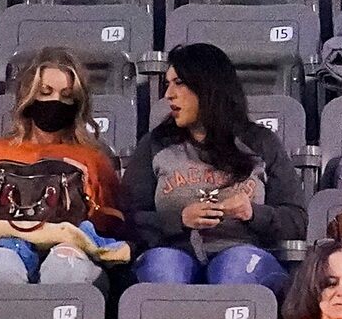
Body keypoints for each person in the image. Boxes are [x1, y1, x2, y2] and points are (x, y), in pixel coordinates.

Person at [125, 41, 305, 289]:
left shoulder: (260, 143)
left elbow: (297, 220)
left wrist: (251, 213)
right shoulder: (155, 144)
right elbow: (127, 220)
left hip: (242, 252)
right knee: (163, 269)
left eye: (179, 83)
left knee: (234, 269)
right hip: (173, 251)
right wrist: (180, 220)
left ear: (207, 88)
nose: (168, 94)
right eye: (167, 84)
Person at [0, 49, 131, 287]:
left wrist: (84, 199)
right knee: (0, 267)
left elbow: (112, 226)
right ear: (29, 95)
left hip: (69, 248)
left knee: (64, 268)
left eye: (66, 95)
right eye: (46, 93)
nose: (55, 102)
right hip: (3, 245)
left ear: (77, 102)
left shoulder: (93, 158)